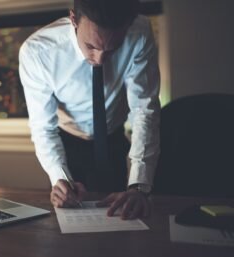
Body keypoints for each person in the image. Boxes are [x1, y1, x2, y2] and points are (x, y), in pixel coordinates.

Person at [19, 0, 160, 219]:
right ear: (74, 20)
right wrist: (60, 179)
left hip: (113, 139)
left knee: (123, 219)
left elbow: (144, 110)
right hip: (67, 142)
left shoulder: (139, 33)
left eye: (114, 49)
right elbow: (43, 127)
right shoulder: (37, 53)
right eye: (91, 46)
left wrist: (139, 186)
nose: (99, 59)